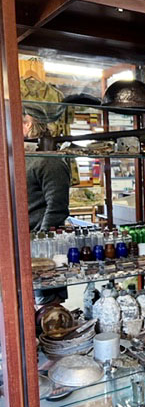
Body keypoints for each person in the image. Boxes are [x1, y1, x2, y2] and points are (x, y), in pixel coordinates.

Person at [24, 113, 71, 304]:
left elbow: (57, 207)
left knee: (48, 307)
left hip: (41, 245)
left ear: (30, 123)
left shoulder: (48, 160)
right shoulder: (24, 156)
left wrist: (43, 243)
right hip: (24, 242)